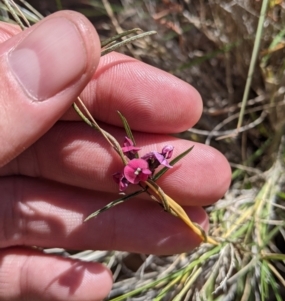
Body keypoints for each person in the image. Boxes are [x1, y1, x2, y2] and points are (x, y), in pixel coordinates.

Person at [0, 10, 231, 301]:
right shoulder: (134, 167)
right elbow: (134, 171)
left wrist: (146, 166)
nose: (136, 170)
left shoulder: (139, 167)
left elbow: (137, 171)